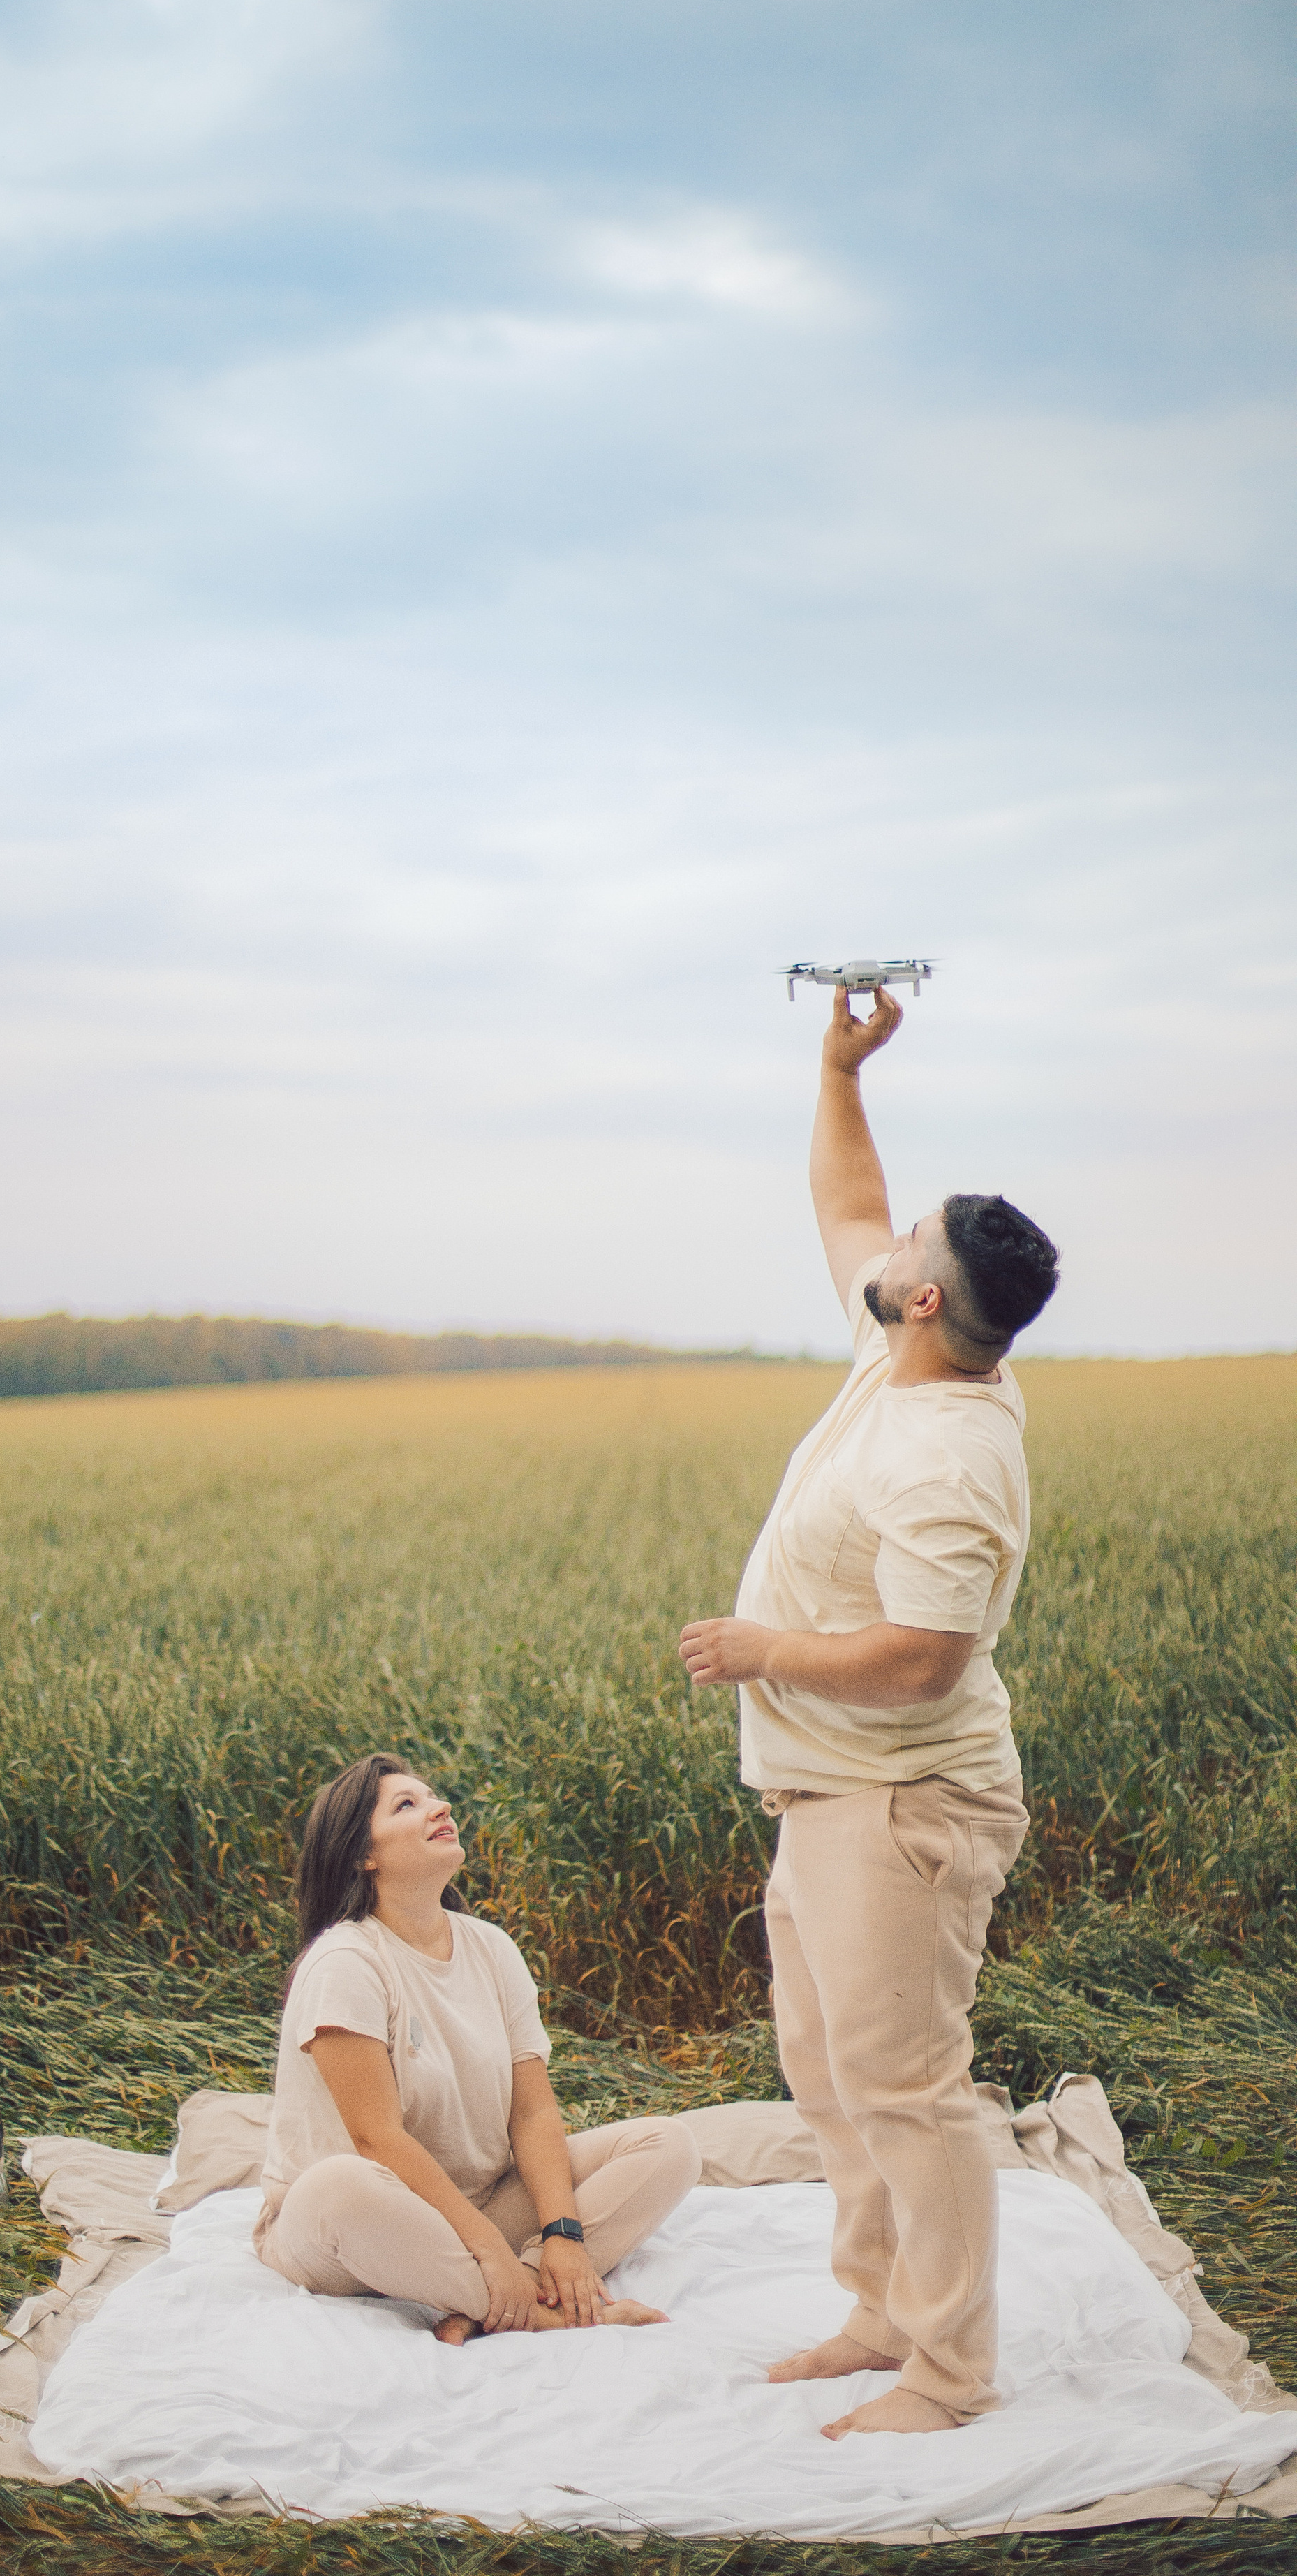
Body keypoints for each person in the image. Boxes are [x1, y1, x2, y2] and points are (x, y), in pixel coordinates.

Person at [679, 983, 1060, 2439]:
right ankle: (880, 2310)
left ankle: (950, 2374)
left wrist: (763, 1649)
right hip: (827, 1796)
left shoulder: (945, 1454)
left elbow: (922, 1663)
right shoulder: (897, 1349)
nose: (885, 1248)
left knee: (907, 2088)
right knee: (831, 2073)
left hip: (904, 1805)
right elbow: (848, 1201)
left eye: (909, 1250)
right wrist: (839, 1069)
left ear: (927, 1300)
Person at [253, 1752, 695, 2342]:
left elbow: (533, 2113)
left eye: (432, 1796)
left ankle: (507, 2292)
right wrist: (487, 2246)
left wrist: (562, 2236)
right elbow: (376, 2139)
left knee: (668, 2145)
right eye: (406, 1805)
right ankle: (538, 2313)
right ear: (363, 1855)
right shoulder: (346, 1962)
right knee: (341, 2184)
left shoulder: (491, 1948)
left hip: (478, 2203)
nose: (440, 1807)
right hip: (352, 2229)